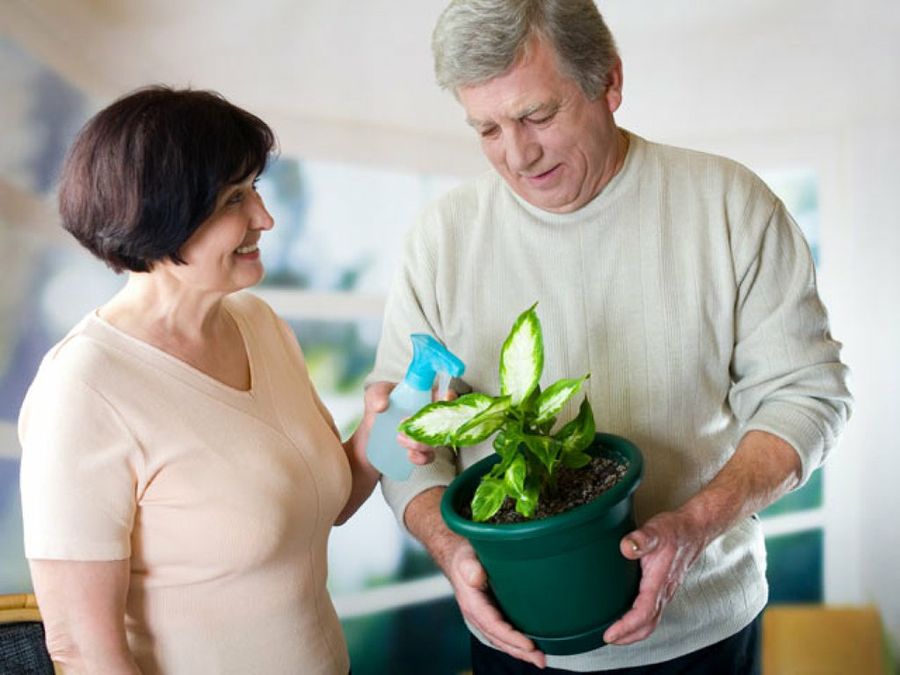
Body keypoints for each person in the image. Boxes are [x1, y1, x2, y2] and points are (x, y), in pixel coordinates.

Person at [365, 1, 853, 673]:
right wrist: (449, 549)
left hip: (701, 636)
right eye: (487, 129)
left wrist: (695, 525)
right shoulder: (441, 239)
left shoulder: (728, 204)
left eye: (538, 115)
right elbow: (399, 442)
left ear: (609, 83)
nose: (517, 152)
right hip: (515, 642)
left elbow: (808, 395)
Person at [17, 86, 428, 675]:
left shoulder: (256, 322)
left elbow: (322, 504)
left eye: (255, 187)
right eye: (235, 197)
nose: (264, 217)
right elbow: (83, 651)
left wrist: (379, 431)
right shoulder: (83, 389)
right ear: (160, 215)